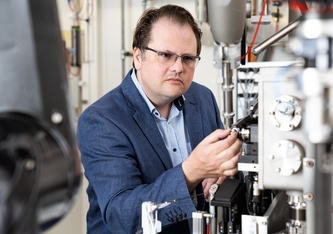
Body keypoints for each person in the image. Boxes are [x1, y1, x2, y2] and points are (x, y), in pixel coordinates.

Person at [77, 4, 241, 234]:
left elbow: (223, 167)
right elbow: (122, 215)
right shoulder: (101, 120)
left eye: (188, 58)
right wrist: (191, 171)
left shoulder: (202, 98)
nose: (178, 67)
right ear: (138, 57)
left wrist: (222, 172)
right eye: (165, 55)